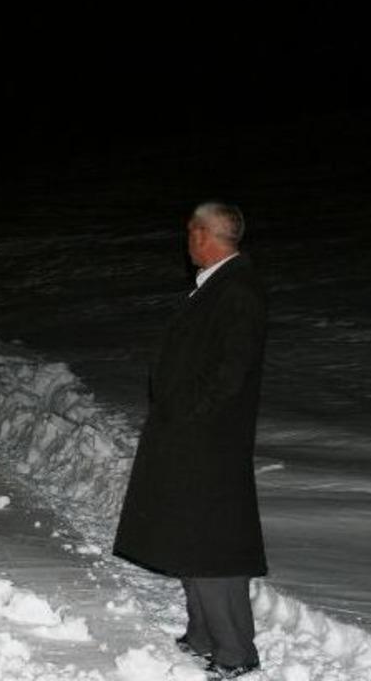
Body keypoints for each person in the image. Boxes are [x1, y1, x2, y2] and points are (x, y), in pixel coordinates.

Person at [113, 201, 267, 679]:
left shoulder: (237, 290)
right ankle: (203, 635)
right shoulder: (215, 285)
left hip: (209, 443)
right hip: (193, 438)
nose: (187, 243)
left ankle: (235, 652)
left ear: (203, 234)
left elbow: (229, 374)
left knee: (214, 548)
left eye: (190, 233)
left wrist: (186, 416)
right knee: (191, 541)